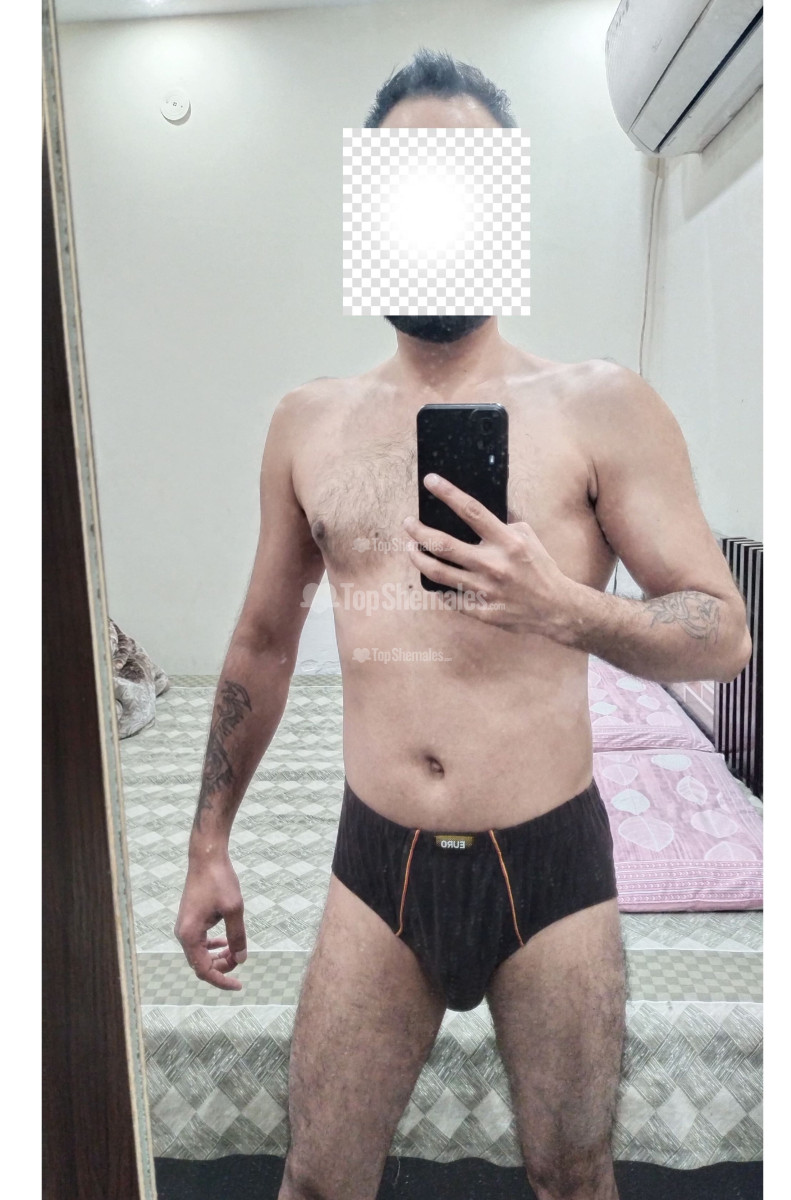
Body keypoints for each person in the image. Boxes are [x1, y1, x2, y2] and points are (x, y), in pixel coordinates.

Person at [175, 49, 752, 1200]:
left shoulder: (602, 406)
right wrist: (207, 845)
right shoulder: (307, 424)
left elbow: (722, 632)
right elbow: (262, 646)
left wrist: (562, 605)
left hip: (551, 862)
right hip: (376, 862)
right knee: (316, 1180)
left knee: (573, 1179)